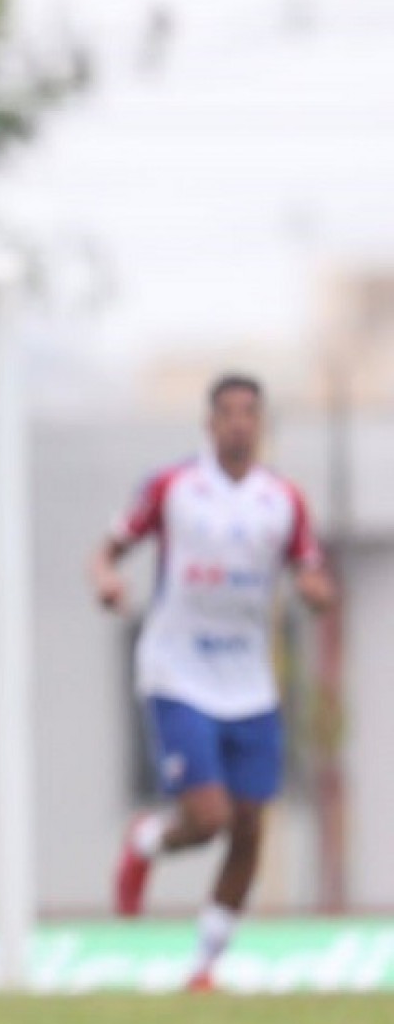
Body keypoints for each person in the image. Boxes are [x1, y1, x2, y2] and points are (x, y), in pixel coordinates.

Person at [93, 372, 334, 990]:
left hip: (250, 682)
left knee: (250, 828)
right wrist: (107, 581)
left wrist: (316, 592)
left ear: (261, 423)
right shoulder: (173, 487)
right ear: (209, 423)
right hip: (178, 672)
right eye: (226, 412)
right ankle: (146, 840)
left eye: (248, 412)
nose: (237, 422)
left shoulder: (284, 501)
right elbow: (109, 550)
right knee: (207, 818)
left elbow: (312, 572)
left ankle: (204, 965)